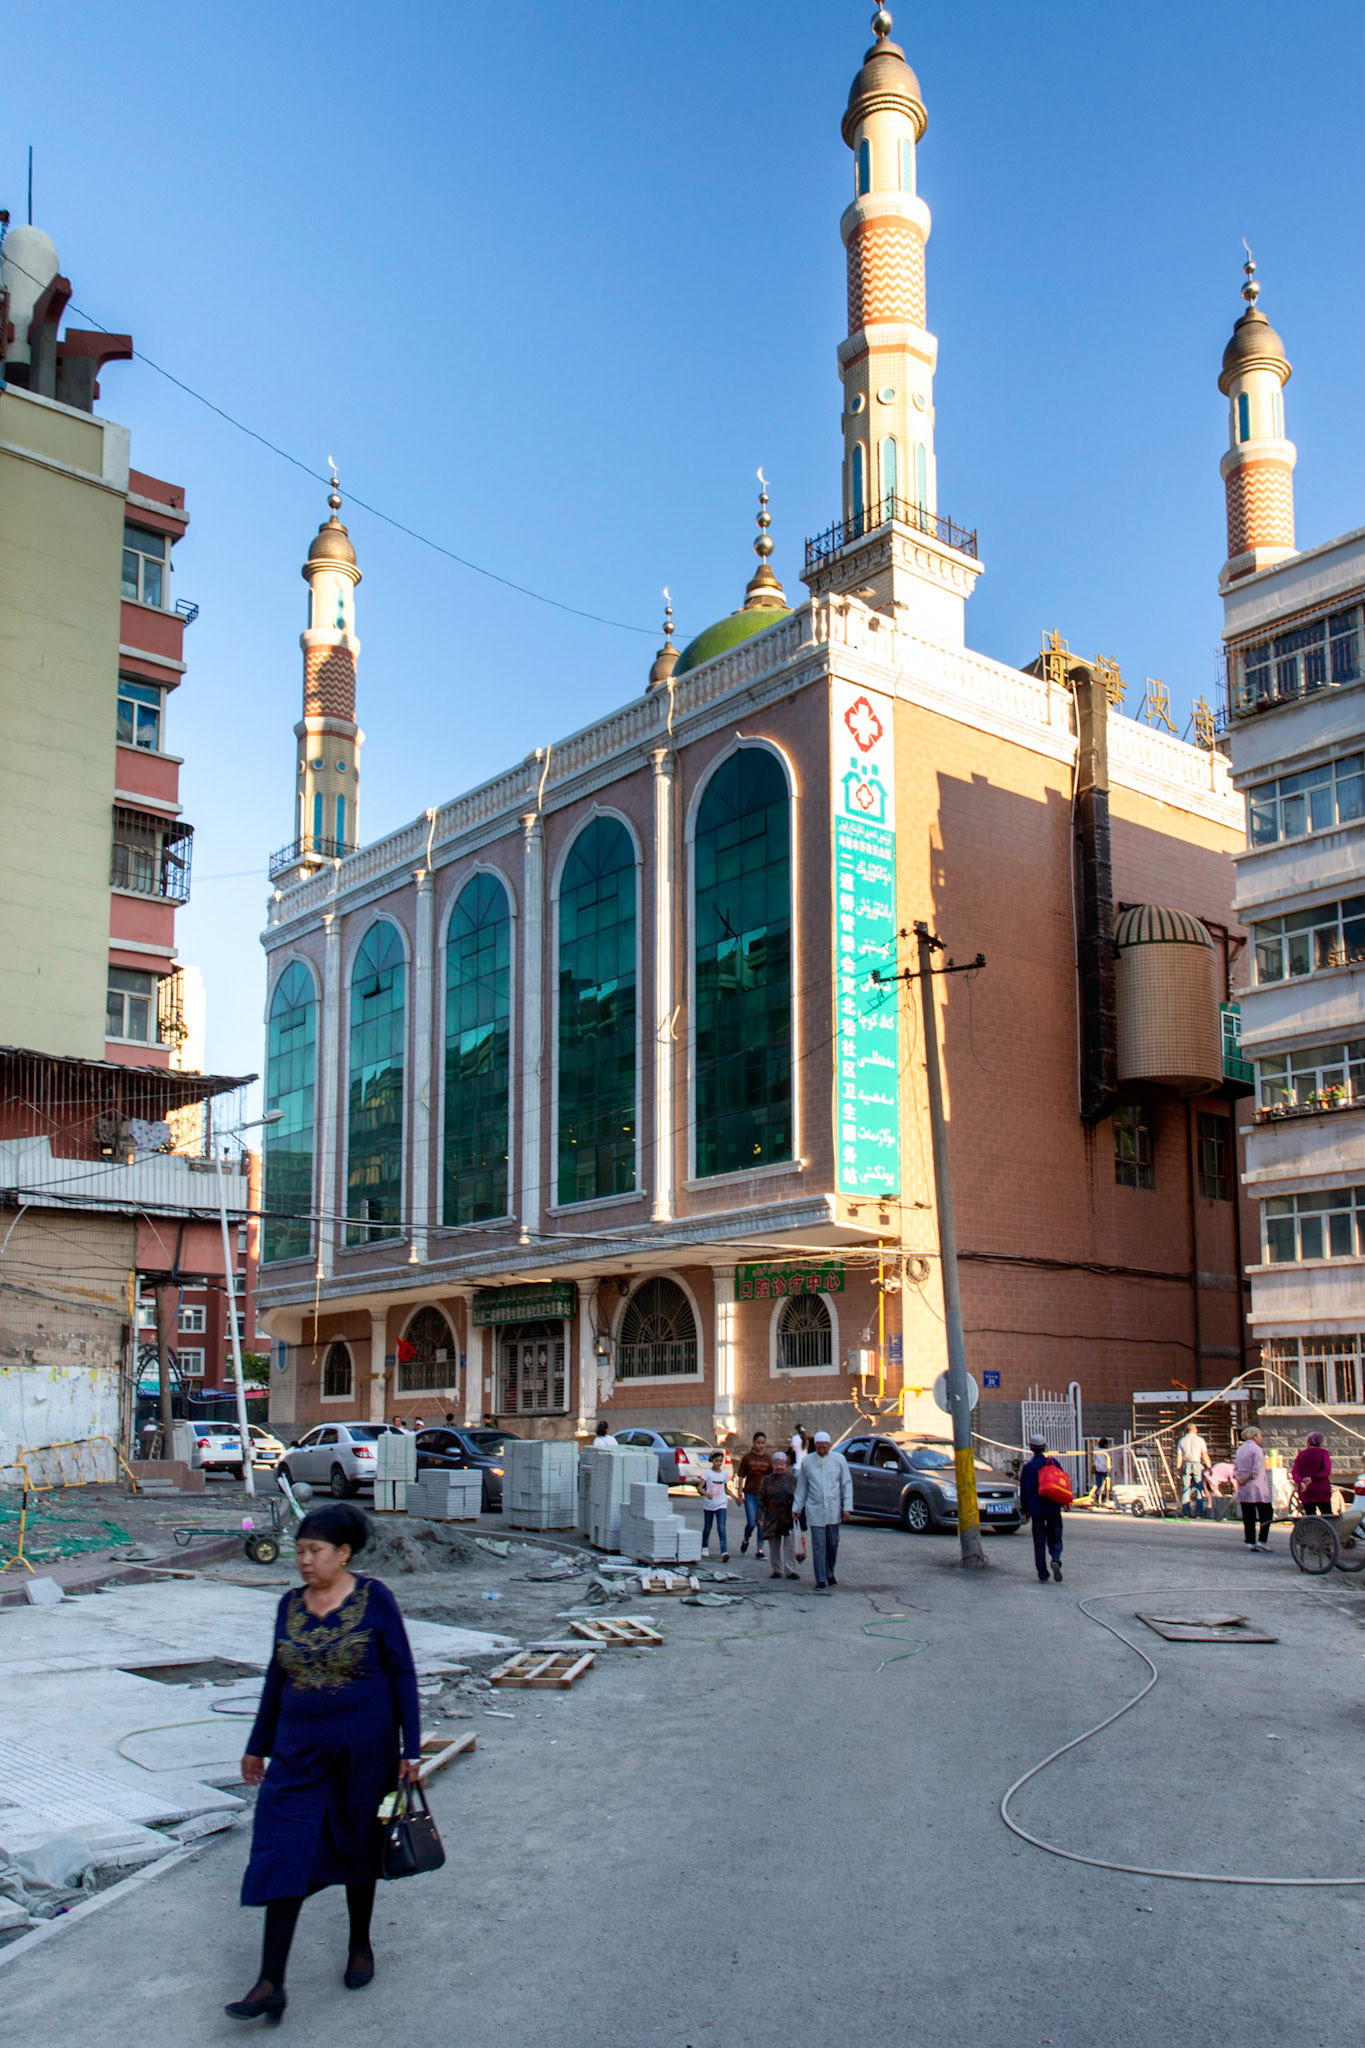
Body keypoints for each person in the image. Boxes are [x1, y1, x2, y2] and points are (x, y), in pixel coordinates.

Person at [228, 1502, 422, 2024]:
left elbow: (402, 1673)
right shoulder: (289, 1605)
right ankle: (271, 1981)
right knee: (283, 1851)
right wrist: (256, 1744)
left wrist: (412, 1749)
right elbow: (276, 1676)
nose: (304, 1561)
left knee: (359, 1844)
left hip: (365, 1752)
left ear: (343, 1553)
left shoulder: (375, 1599)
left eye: (314, 1551)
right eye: (299, 1551)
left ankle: (360, 1944)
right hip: (297, 1754)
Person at [792, 1431, 853, 1590]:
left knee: (833, 1543)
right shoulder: (807, 1461)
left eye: (824, 1447)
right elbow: (802, 1487)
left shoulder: (839, 1460)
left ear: (830, 1445)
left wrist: (846, 1508)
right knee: (819, 1544)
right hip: (815, 1509)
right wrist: (797, 1508)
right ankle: (820, 1578)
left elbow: (846, 1484)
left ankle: (829, 1572)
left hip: (833, 1509)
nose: (821, 1450)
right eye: (819, 1447)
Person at [1019, 1434, 1065, 1584]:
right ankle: (1056, 1558)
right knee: (1055, 1535)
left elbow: (1024, 1492)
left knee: (1039, 1541)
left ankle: (1043, 1573)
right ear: (1045, 1446)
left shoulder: (1028, 1468)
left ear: (1031, 1448)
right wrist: (1065, 1502)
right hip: (1053, 1507)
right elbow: (1062, 1483)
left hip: (1036, 1510)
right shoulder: (1054, 1462)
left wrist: (1025, 1511)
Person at [758, 1450, 800, 1579]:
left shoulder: (793, 1479)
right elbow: (760, 1499)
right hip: (772, 1517)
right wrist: (759, 1516)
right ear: (772, 1465)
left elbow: (799, 1497)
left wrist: (799, 1512)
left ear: (786, 1464)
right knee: (774, 1545)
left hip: (789, 1517)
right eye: (776, 1464)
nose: (779, 1467)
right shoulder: (766, 1480)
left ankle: (790, 1570)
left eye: (782, 1464)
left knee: (790, 1545)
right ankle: (777, 1570)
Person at [1235, 1425, 1273, 1551]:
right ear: (1255, 1436)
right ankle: (1262, 1540)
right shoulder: (1257, 1450)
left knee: (1248, 1516)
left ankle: (1250, 1540)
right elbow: (1256, 1470)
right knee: (1266, 1514)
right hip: (1257, 1488)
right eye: (1260, 1436)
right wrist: (1246, 1478)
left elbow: (1235, 1468)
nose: (1261, 1438)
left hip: (1243, 1487)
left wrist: (1240, 1478)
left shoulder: (1240, 1449)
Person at [737, 1431, 773, 1559]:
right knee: (752, 1522)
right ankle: (746, 1538)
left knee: (761, 1523)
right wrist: (739, 1493)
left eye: (763, 1443)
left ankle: (760, 1549)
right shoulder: (747, 1458)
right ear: (754, 1443)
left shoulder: (768, 1459)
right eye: (758, 1443)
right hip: (750, 1494)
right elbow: (741, 1475)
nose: (760, 1445)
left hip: (763, 1495)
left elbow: (771, 1477)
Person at [1291, 1432, 1333, 1515]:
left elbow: (1295, 1472)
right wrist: (1312, 1478)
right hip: (1321, 1490)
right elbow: (1326, 1471)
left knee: (1310, 1515)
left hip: (1306, 1489)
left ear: (1308, 1441)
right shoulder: (1323, 1453)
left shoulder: (1301, 1454)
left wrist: (1300, 1482)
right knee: (1327, 1514)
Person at [1176, 1422, 1212, 1519]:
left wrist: (1178, 1469)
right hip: (1197, 1464)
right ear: (1195, 1430)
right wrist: (1209, 1466)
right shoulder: (1200, 1440)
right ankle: (1199, 1513)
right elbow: (1204, 1454)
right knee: (1199, 1489)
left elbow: (1180, 1456)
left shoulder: (1182, 1441)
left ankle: (1186, 1513)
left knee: (1185, 1489)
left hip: (1186, 1464)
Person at [699, 1451, 731, 1559]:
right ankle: (704, 1546)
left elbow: (726, 1489)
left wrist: (736, 1498)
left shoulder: (724, 1474)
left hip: (721, 1504)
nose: (718, 1463)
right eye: (716, 1461)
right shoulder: (708, 1473)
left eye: (721, 1461)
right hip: (709, 1505)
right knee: (708, 1527)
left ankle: (724, 1551)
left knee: (721, 1527)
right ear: (712, 1460)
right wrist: (705, 1493)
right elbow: (700, 1487)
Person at [1089, 1438, 1113, 1508]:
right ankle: (1106, 1497)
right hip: (1105, 1469)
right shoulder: (1105, 1451)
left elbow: (1095, 1447)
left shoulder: (1096, 1450)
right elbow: (1107, 1459)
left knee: (1097, 1484)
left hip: (1098, 1468)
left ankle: (1093, 1495)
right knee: (1107, 1484)